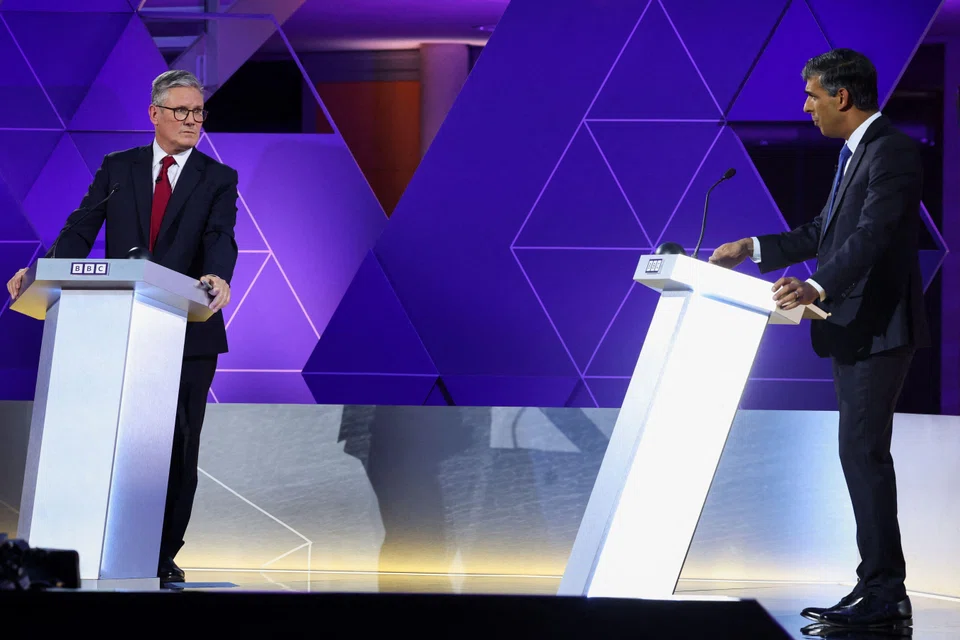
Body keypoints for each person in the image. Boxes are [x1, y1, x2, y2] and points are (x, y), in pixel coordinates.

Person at [710, 49, 927, 629]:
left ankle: (885, 593)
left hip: (878, 329)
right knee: (858, 454)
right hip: (853, 328)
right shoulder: (855, 155)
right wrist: (752, 247)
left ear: (842, 97)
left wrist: (815, 286)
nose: (805, 107)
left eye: (811, 96)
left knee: (863, 454)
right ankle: (875, 585)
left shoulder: (893, 152)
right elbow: (823, 232)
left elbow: (872, 236)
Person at [5, 69, 238, 587]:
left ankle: (162, 553)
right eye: (181, 111)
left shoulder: (218, 178)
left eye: (199, 112)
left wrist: (218, 275)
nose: (192, 121)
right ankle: (94, 542)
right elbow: (81, 226)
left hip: (188, 331)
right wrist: (41, 270)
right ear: (154, 113)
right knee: (113, 438)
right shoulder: (118, 168)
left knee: (178, 444)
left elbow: (222, 235)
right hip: (116, 329)